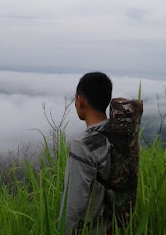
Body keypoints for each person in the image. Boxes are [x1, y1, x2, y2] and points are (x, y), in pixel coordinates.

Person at [58, 72, 113, 234]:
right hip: (111, 226)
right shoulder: (118, 134)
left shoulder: (82, 147)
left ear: (80, 100)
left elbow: (73, 205)